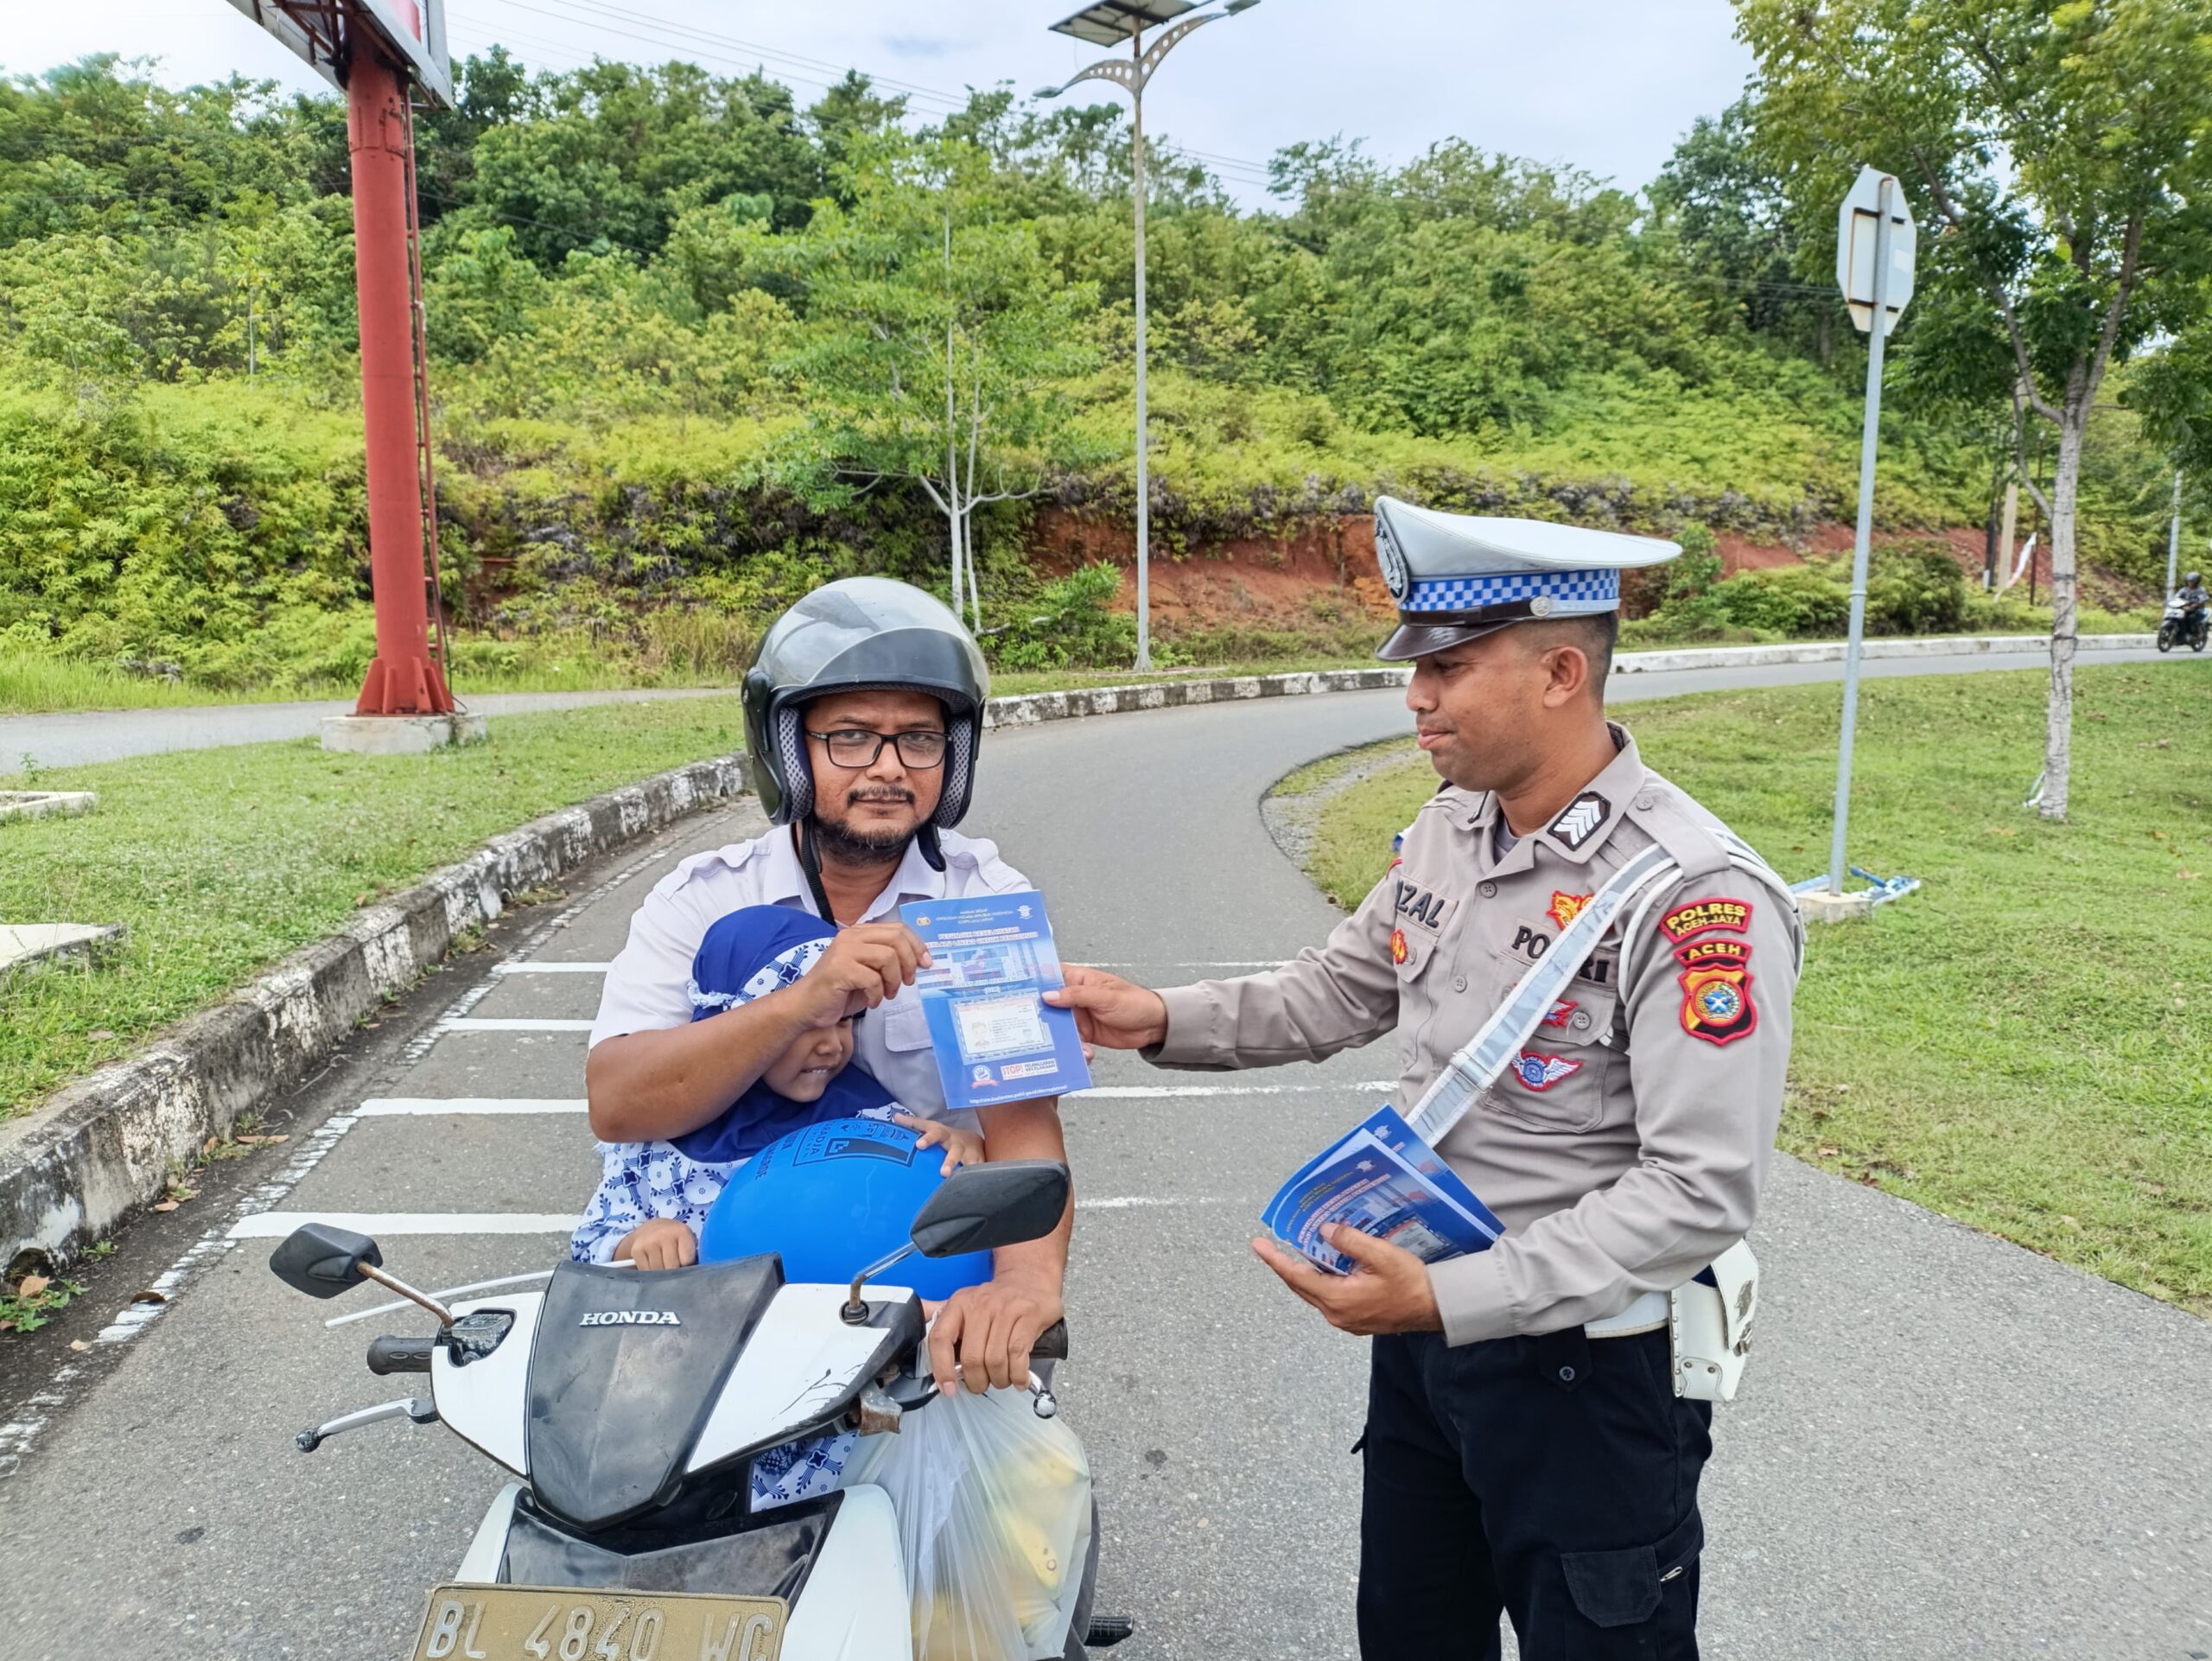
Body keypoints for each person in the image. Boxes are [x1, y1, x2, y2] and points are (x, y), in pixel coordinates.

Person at [1049, 497, 1803, 1661]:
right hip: (1422, 1345)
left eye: (1447, 667)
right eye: (1416, 667)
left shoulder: (1695, 895)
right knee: (1409, 1632)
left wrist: (1451, 1300)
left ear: (1560, 673)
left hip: (1583, 1374)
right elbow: (1339, 988)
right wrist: (1157, 1015)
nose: (1415, 696)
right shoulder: (1453, 823)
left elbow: (1699, 1189)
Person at [587, 577, 1069, 1396]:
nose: (889, 768)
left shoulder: (981, 906)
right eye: (851, 737)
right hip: (721, 1299)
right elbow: (620, 1102)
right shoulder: (703, 899)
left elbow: (1024, 1125)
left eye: (919, 739)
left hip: (925, 1290)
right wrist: (799, 1002)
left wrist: (1023, 1287)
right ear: (787, 749)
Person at [569, 904, 982, 1272]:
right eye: (805, 1024)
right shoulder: (661, 1139)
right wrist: (637, 1243)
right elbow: (591, 1241)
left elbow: (915, 1201)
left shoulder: (871, 1121)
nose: (831, 1045)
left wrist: (961, 1147)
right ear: (739, 1020)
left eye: (844, 1021)